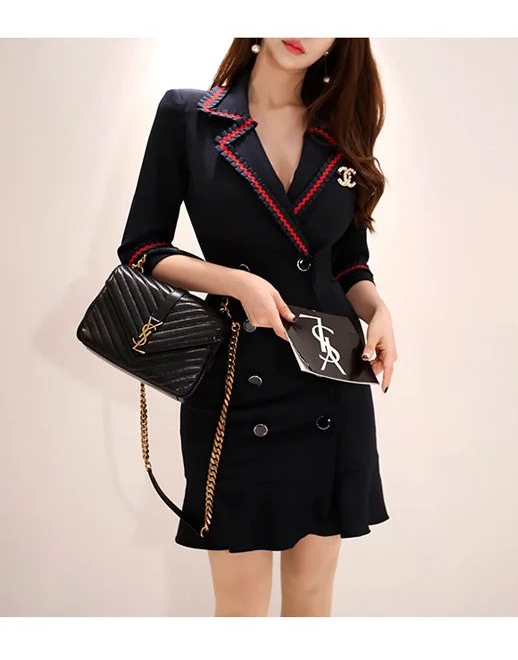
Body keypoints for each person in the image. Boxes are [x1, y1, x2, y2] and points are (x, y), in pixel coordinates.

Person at [116, 37, 397, 616]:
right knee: (239, 605)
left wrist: (379, 312)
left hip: (331, 375)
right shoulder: (189, 117)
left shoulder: (341, 132)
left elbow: (349, 264)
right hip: (233, 384)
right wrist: (237, 283)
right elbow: (142, 248)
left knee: (312, 597)